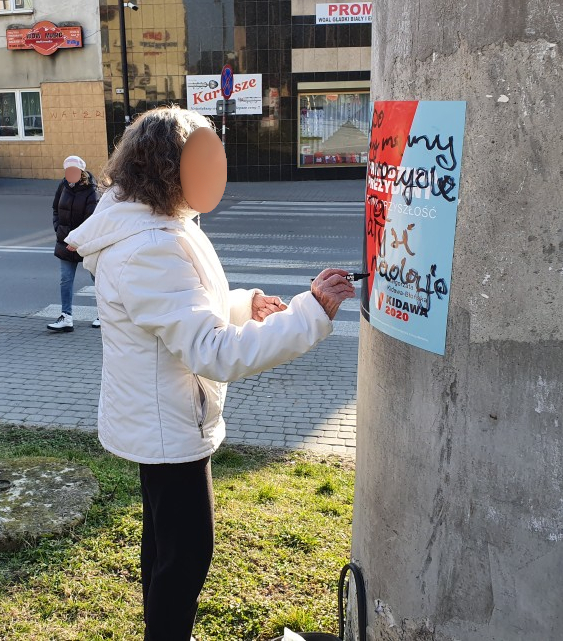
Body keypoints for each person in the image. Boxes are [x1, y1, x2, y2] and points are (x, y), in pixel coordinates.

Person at [64, 106, 355, 640]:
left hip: (160, 418)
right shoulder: (151, 244)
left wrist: (245, 305)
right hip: (168, 426)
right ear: (168, 167)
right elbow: (212, 352)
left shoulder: (155, 221)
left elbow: (187, 308)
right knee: (186, 558)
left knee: (165, 549)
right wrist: (309, 313)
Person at [47, 155, 100, 332]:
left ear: (81, 171)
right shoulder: (63, 186)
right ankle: (66, 317)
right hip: (65, 241)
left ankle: (103, 315)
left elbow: (92, 220)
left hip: (85, 243)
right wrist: (59, 229)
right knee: (65, 280)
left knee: (98, 279)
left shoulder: (91, 190)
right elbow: (56, 209)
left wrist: (77, 240)